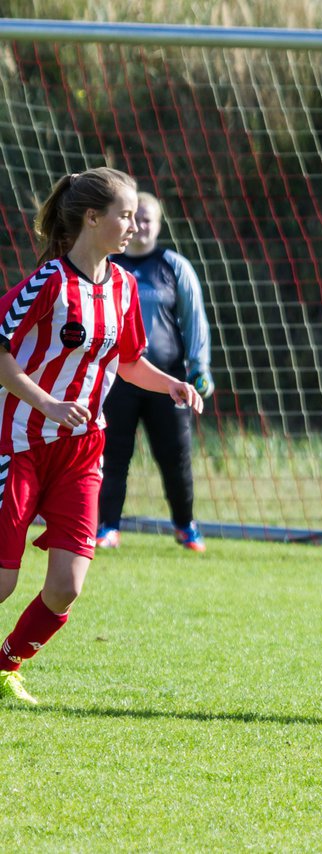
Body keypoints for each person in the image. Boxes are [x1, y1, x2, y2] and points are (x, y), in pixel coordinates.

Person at [0, 168, 204, 705]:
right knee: (1, 581)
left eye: (137, 215)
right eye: (125, 214)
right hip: (19, 444)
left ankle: (5, 666)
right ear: (93, 218)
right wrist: (44, 401)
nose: (135, 224)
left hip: (84, 450)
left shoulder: (122, 287)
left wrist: (173, 386)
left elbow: (130, 360)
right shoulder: (47, 283)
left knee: (67, 584)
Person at [95, 192, 214, 553]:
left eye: (148, 219)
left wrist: (199, 369)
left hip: (168, 382)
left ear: (159, 225)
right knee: (113, 455)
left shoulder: (174, 266)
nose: (141, 225)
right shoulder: (107, 266)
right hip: (119, 380)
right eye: (135, 218)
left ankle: (184, 526)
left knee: (175, 457)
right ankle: (107, 528)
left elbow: (196, 322)